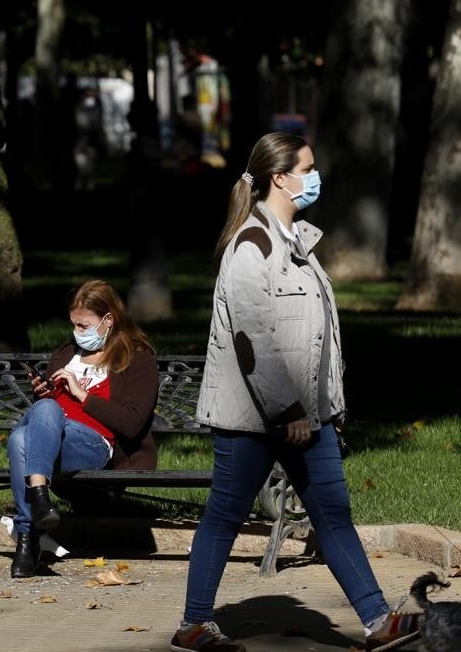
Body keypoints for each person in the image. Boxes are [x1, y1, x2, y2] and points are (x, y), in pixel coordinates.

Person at [170, 133, 423, 652]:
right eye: (307, 168)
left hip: (310, 416)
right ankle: (195, 623)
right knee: (225, 514)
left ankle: (377, 621)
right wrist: (287, 410)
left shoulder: (298, 244)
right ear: (279, 178)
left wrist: (329, 408)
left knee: (333, 516)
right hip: (253, 420)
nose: (315, 176)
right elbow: (253, 342)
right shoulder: (250, 246)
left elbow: (314, 340)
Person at [7, 280, 159, 577]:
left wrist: (82, 395)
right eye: (74, 325)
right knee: (25, 434)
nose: (78, 333)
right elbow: (47, 410)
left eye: (84, 325)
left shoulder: (137, 358)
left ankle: (29, 533)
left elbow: (132, 422)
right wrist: (44, 393)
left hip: (94, 444)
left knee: (21, 438)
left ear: (109, 320)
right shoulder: (67, 353)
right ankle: (34, 519)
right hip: (50, 439)